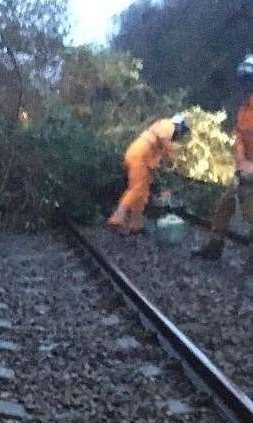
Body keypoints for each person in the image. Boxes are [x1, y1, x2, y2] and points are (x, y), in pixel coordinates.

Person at [193, 55, 253, 269]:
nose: (246, 86)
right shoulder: (244, 110)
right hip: (245, 169)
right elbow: (238, 138)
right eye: (245, 81)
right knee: (225, 204)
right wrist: (241, 161)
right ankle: (214, 246)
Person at [107, 114, 191, 233]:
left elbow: (158, 157)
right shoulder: (168, 125)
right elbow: (163, 140)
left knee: (142, 193)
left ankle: (135, 225)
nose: (181, 135)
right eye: (183, 131)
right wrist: (175, 150)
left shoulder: (165, 136)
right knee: (136, 189)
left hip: (142, 159)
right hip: (138, 156)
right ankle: (117, 218)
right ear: (180, 126)